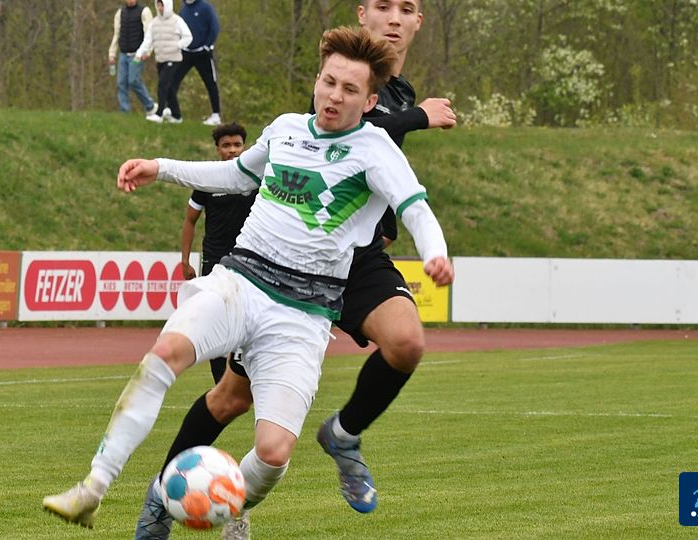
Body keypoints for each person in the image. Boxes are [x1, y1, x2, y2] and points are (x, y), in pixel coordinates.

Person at [42, 26, 454, 535]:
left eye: (350, 90)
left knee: (274, 453)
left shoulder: (376, 149)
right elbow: (237, 174)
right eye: (328, 82)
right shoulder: (285, 128)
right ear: (317, 80)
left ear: (370, 102)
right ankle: (94, 487)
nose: (334, 96)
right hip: (241, 281)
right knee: (166, 353)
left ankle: (227, 500)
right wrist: (160, 167)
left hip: (304, 315)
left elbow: (415, 208)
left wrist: (435, 254)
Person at [179, 122, 254, 383]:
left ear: (244, 147)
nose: (232, 150)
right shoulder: (207, 181)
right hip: (215, 260)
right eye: (226, 145)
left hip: (249, 260)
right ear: (217, 149)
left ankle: (248, 378)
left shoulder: (256, 178)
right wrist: (185, 260)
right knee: (215, 319)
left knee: (248, 320)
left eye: (237, 145)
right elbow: (190, 220)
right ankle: (220, 381)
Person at [137, 0, 193, 124]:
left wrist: (177, 45)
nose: (160, 8)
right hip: (160, 59)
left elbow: (188, 37)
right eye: (158, 5)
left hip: (173, 59)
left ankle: (159, 113)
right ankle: (177, 116)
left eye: (162, 5)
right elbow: (148, 40)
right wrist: (139, 53)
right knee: (169, 88)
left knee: (162, 85)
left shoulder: (177, 20)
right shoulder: (154, 23)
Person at [169, 0, 222, 126]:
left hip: (203, 54)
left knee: (210, 83)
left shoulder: (205, 7)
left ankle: (216, 115)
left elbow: (214, 27)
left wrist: (207, 46)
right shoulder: (184, 9)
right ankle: (173, 112)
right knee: (172, 81)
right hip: (186, 53)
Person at [109, 0, 159, 116]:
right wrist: (112, 53)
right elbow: (117, 34)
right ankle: (124, 111)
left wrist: (148, 51)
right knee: (121, 83)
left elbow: (149, 34)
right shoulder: (120, 13)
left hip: (137, 55)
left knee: (133, 80)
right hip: (123, 54)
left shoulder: (144, 12)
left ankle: (150, 105)